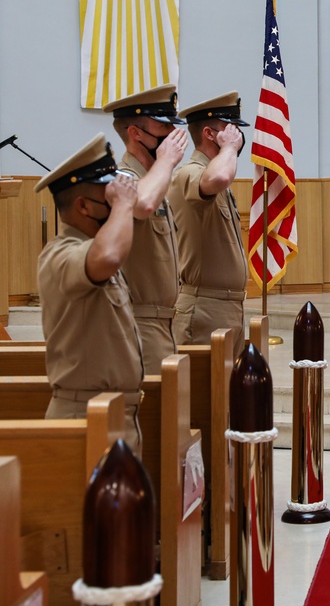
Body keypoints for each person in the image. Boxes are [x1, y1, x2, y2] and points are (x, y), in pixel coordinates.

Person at [34, 134, 145, 453]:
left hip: (116, 415)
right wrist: (125, 203)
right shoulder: (60, 254)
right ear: (83, 205)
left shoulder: (89, 247)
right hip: (84, 418)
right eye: (109, 198)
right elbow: (108, 257)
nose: (120, 203)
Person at [102, 84, 188, 375]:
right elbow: (142, 204)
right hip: (140, 322)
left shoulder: (154, 179)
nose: (172, 135)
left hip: (166, 321)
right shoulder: (122, 178)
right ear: (135, 133)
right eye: (163, 126)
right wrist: (166, 161)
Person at [169, 92, 249, 362]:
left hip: (228, 306)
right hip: (204, 309)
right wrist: (228, 149)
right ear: (209, 133)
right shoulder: (189, 173)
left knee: (226, 399)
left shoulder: (213, 175)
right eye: (231, 131)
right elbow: (222, 176)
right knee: (202, 400)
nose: (238, 138)